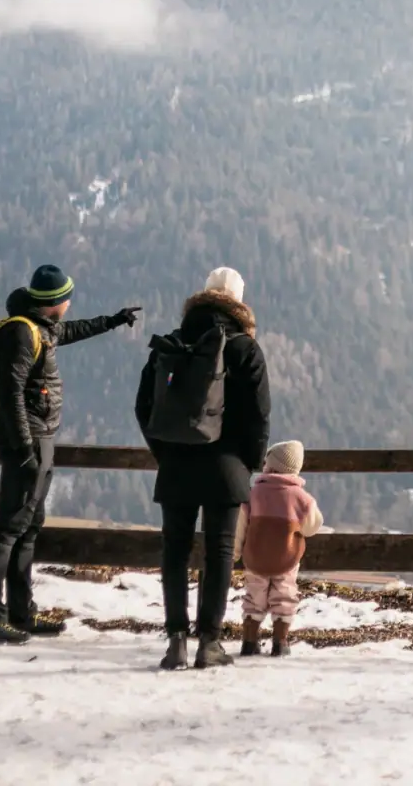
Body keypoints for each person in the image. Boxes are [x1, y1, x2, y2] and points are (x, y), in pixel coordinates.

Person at [0, 264, 141, 645]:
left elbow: (73, 330)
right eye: (67, 297)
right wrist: (24, 449)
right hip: (27, 442)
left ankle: (21, 613)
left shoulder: (41, 328)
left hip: (41, 439)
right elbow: (10, 394)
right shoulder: (20, 332)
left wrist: (113, 321)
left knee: (28, 527)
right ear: (56, 302)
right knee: (8, 529)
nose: (70, 303)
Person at [135, 266, 271, 670]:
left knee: (174, 551)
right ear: (239, 302)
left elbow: (144, 407)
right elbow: (259, 415)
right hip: (226, 467)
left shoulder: (172, 343)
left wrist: (165, 452)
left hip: (176, 464)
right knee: (220, 553)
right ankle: (208, 642)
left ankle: (175, 639)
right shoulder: (245, 348)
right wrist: (250, 462)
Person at [235, 440, 324, 658]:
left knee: (254, 597)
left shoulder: (253, 494)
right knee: (284, 596)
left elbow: (240, 525)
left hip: (255, 558)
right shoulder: (302, 499)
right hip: (286, 559)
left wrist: (235, 552)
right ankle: (280, 642)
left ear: (271, 466)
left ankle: (249, 641)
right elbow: (313, 526)